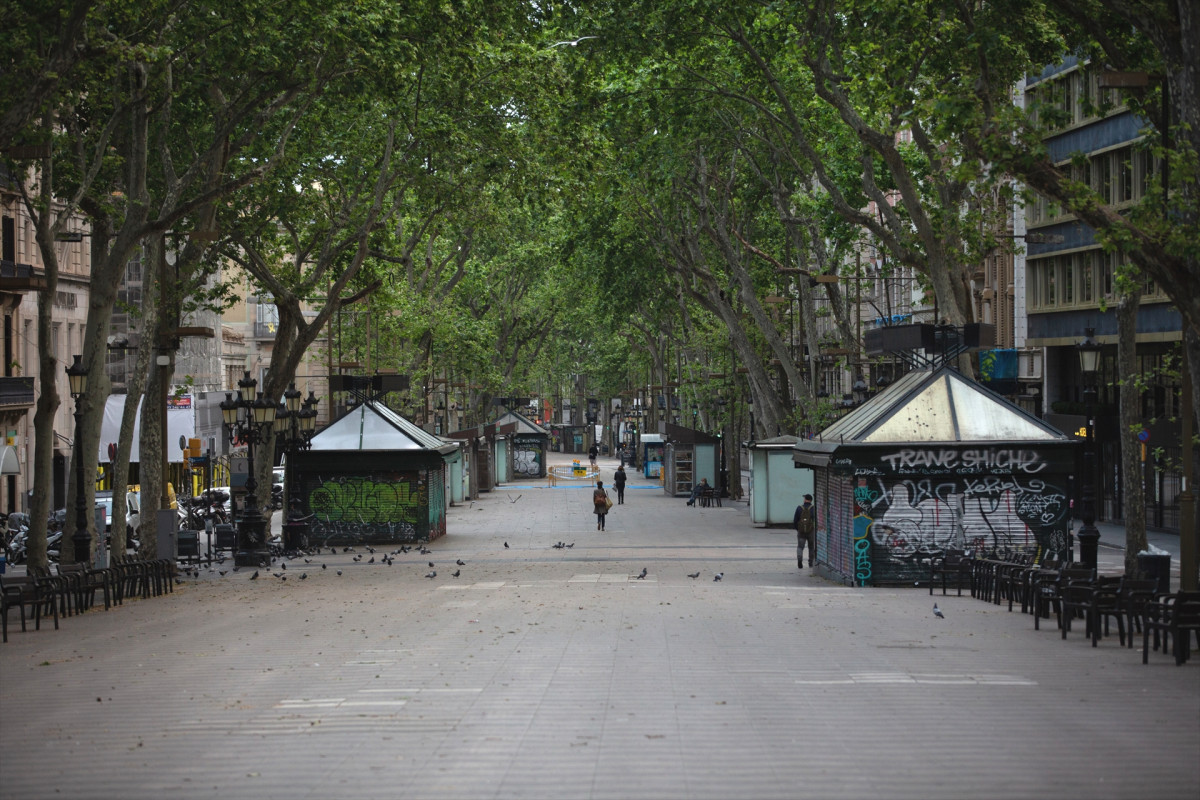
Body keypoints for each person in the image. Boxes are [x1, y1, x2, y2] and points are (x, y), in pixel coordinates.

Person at [794, 494, 815, 569]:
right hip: (811, 531)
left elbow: (795, 520)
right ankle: (811, 563)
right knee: (811, 547)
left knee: (800, 547)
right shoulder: (813, 508)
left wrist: (798, 529)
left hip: (801, 531)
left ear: (806, 499)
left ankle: (800, 560)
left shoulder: (799, 508)